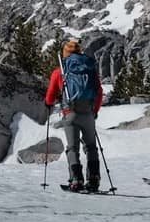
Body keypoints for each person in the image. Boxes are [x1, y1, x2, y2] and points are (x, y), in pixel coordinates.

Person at [43, 38, 104, 192]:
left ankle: (76, 179)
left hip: (70, 113)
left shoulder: (60, 72)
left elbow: (51, 94)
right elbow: (99, 91)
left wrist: (48, 103)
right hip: (88, 113)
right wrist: (94, 111)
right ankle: (94, 178)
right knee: (91, 147)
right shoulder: (89, 70)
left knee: (72, 148)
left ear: (66, 54)